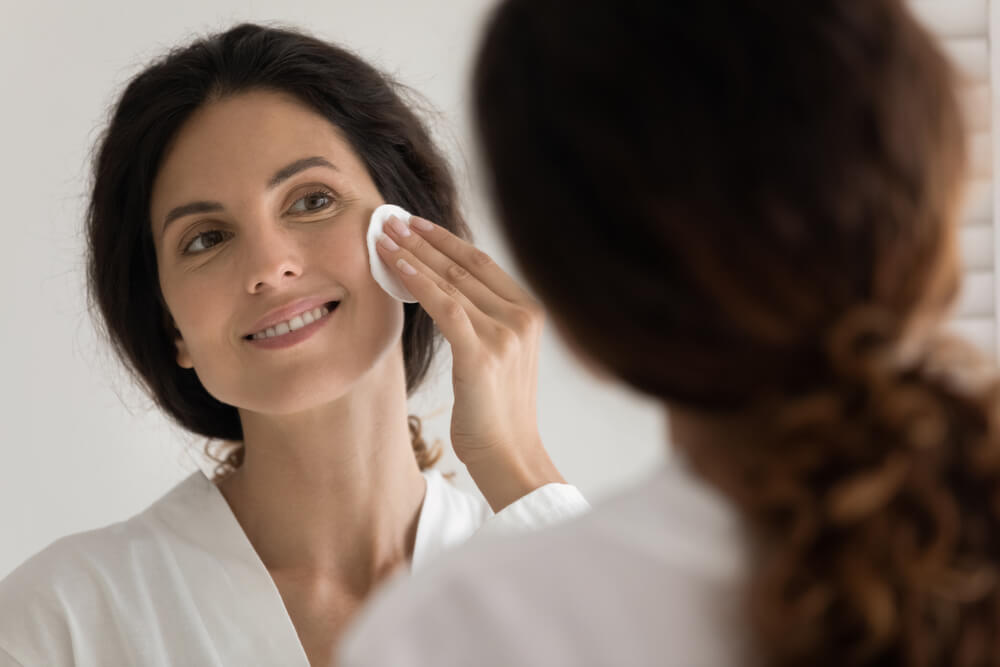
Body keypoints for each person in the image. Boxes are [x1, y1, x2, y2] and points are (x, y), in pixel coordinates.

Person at [338, 0, 998, 665]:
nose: (273, 270)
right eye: (221, 235)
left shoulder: (453, 633)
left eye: (313, 201)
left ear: (573, 300)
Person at [0, 23, 589, 667]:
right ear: (172, 326)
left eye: (311, 200)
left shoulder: (547, 584)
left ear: (407, 235)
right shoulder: (59, 625)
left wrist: (519, 467)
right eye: (206, 238)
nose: (269, 264)